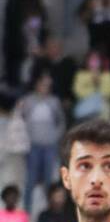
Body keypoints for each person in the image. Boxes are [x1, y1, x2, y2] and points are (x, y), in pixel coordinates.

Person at [17, 72, 66, 212]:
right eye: (43, 84)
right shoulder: (28, 100)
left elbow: (61, 121)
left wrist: (55, 136)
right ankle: (26, 212)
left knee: (48, 181)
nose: (46, 87)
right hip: (33, 145)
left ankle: (48, 212)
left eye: (48, 85)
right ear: (37, 84)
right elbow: (21, 119)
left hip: (50, 146)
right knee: (30, 181)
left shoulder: (54, 101)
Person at [72, 50, 110, 120]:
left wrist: (98, 83)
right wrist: (92, 93)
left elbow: (109, 92)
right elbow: (77, 91)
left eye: (96, 59)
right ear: (87, 61)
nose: (94, 62)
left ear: (101, 61)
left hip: (103, 110)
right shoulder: (80, 75)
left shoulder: (107, 75)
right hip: (85, 110)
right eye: (92, 59)